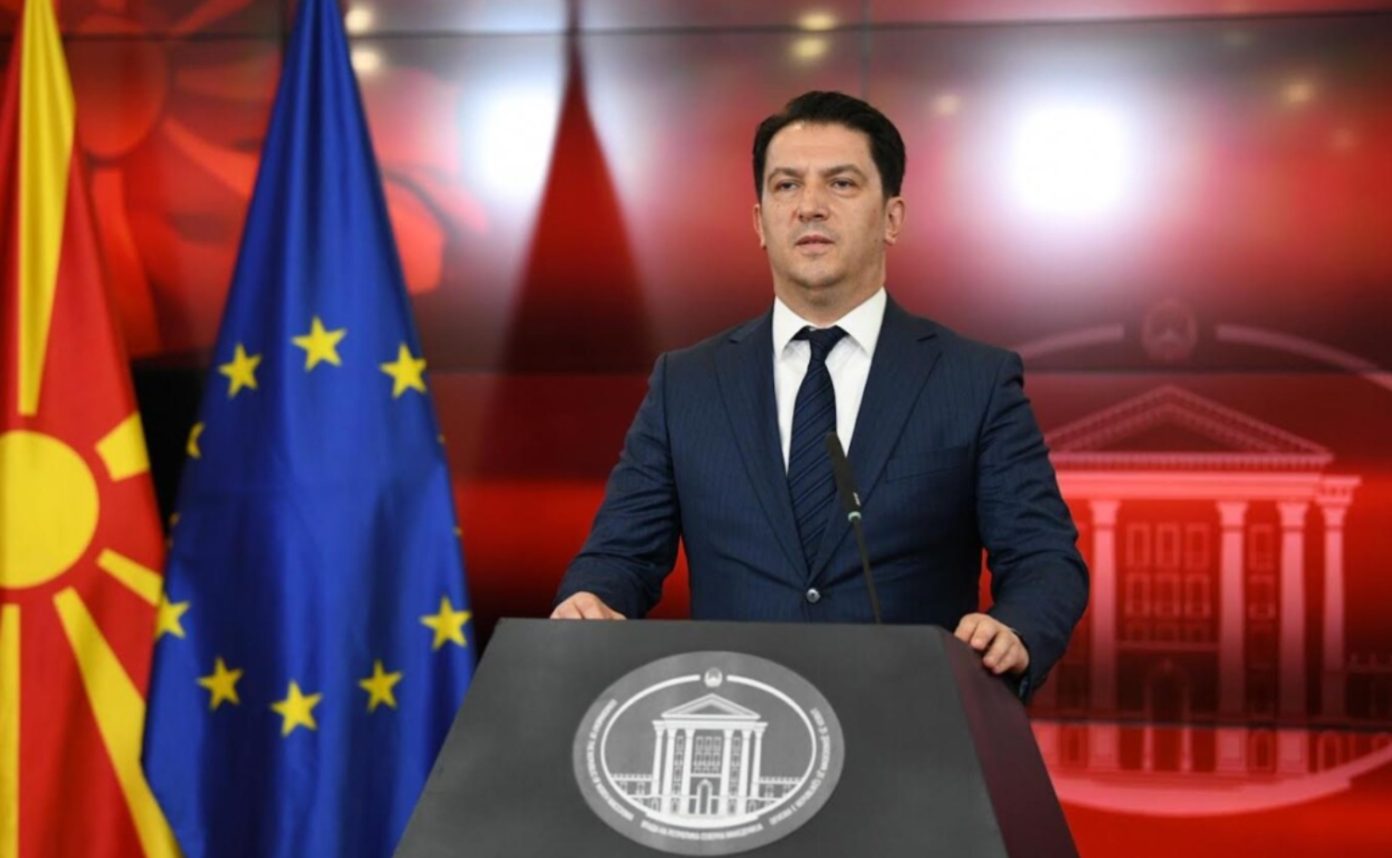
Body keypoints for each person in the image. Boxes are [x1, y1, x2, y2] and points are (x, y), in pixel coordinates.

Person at [551, 90, 1088, 698]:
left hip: (912, 724)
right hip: (741, 721)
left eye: (841, 183)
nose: (810, 206)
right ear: (760, 222)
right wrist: (590, 598)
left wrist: (1015, 629)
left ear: (892, 218)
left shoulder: (973, 381)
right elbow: (621, 556)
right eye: (786, 186)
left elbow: (1044, 558)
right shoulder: (688, 384)